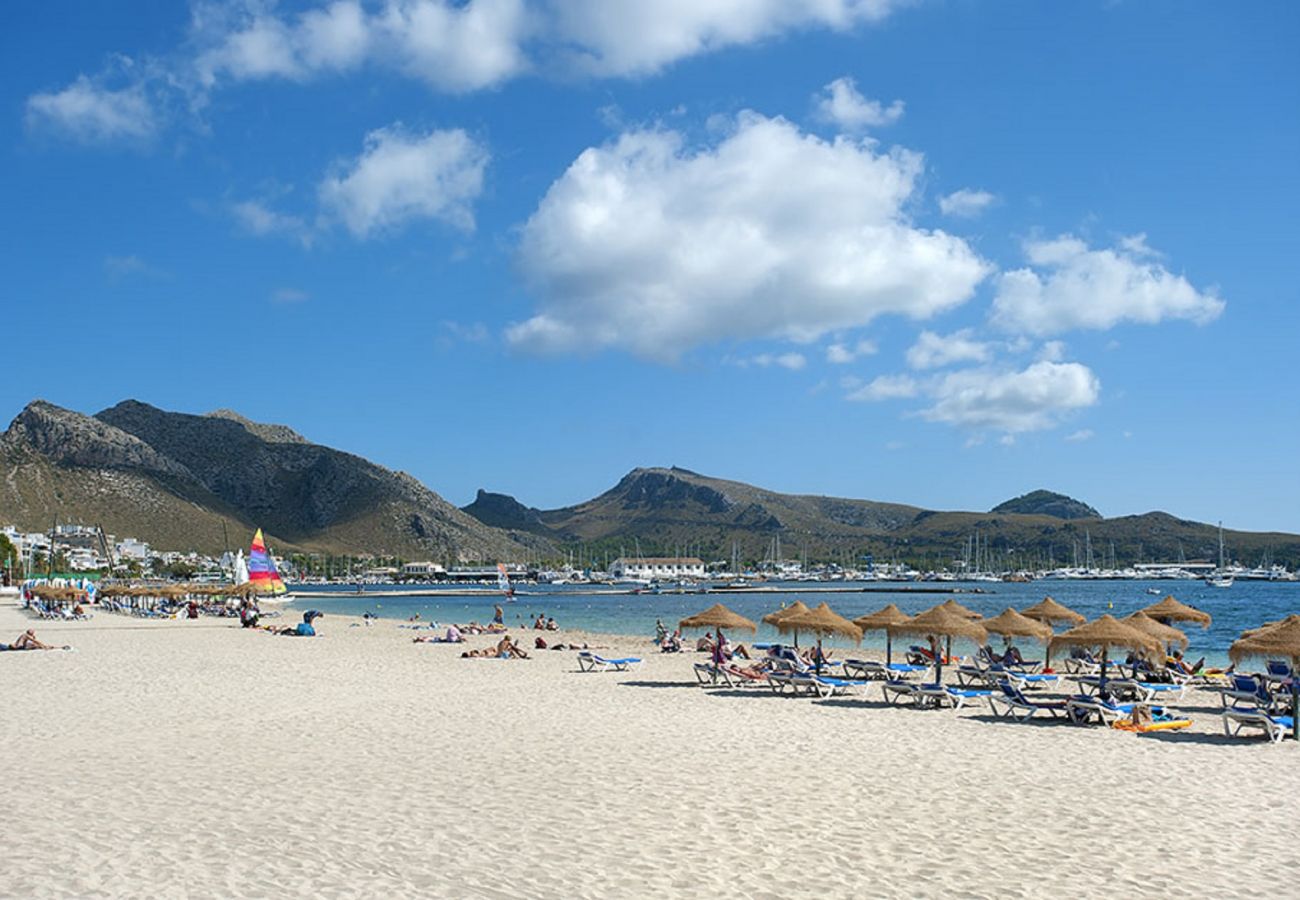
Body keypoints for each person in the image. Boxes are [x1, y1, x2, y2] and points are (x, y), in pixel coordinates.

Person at [1, 629, 67, 651]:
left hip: (14, 647)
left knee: (35, 645)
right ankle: (55, 647)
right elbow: (36, 641)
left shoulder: (26, 639)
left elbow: (36, 643)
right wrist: (44, 646)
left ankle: (58, 647)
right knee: (35, 645)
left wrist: (46, 646)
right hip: (10, 647)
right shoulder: (25, 636)